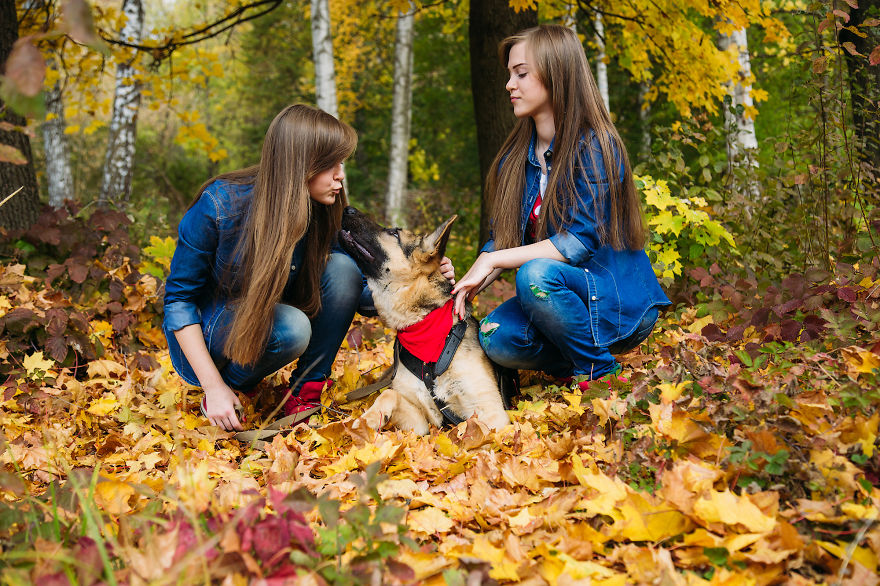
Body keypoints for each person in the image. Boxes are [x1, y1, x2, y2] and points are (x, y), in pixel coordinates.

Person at [452, 25, 671, 386]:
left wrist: (493, 261)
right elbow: (503, 242)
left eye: (521, 73)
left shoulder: (597, 146)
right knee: (494, 336)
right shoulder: (514, 159)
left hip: (614, 302)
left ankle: (599, 373)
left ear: (557, 75)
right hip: (557, 299)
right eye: (509, 74)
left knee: (535, 274)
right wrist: (467, 285)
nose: (509, 84)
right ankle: (580, 359)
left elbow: (578, 243)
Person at [163, 104, 366, 432]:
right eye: (330, 165)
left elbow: (359, 290)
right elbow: (178, 302)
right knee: (294, 326)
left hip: (265, 318)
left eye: (341, 163)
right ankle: (231, 387)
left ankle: (304, 393)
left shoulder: (322, 207)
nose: (340, 175)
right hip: (215, 331)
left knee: (343, 268)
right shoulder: (218, 206)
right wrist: (214, 387)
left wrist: (423, 278)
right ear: (301, 164)